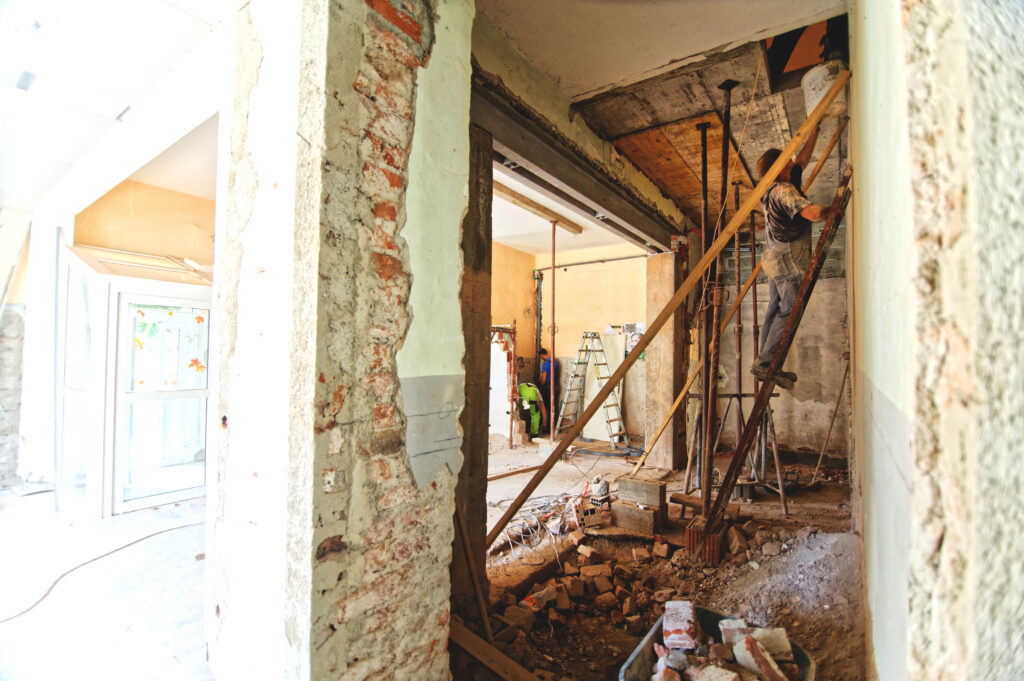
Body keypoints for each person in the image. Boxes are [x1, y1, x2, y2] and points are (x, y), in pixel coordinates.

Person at [751, 123, 833, 390]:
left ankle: (764, 364)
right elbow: (814, 214)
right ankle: (765, 364)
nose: (791, 161)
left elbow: (802, 160)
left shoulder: (778, 184)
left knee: (774, 310)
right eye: (786, 160)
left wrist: (815, 129)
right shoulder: (783, 191)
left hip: (774, 257)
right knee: (787, 311)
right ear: (779, 168)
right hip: (787, 259)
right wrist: (837, 206)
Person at [538, 348, 559, 432]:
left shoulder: (546, 363)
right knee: (554, 406)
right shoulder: (555, 362)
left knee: (546, 406)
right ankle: (554, 426)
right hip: (556, 387)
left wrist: (540, 382)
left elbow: (544, 379)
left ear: (542, 355)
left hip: (548, 387)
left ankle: (547, 427)